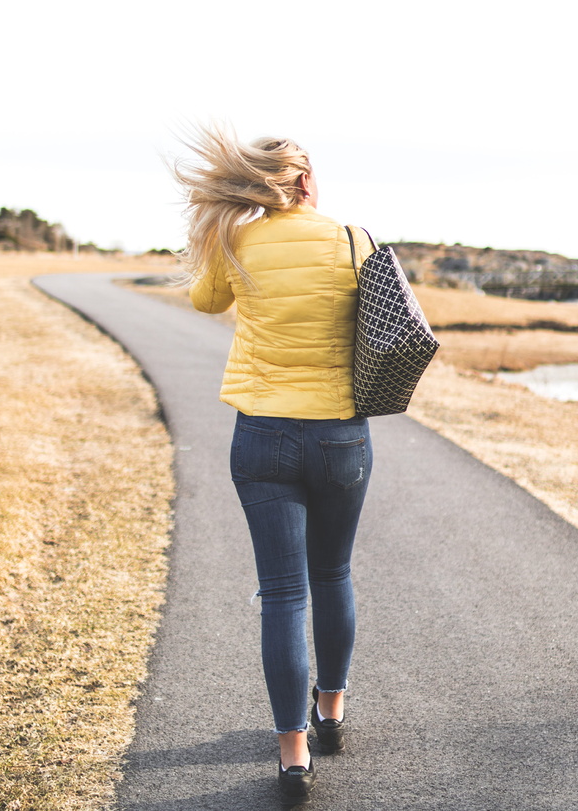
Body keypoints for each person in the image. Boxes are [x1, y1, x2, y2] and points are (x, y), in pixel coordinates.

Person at [174, 123, 374, 806]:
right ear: (306, 181)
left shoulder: (238, 242)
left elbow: (204, 301)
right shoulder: (353, 240)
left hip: (262, 436)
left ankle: (293, 754)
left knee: (283, 592)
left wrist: (222, 235)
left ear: (259, 185)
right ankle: (332, 715)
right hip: (342, 434)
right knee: (334, 572)